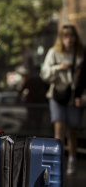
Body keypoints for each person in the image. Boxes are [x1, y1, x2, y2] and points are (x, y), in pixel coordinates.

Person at [40, 24, 84, 175]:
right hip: (57, 95)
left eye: (71, 36)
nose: (69, 39)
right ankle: (57, 161)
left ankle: (72, 160)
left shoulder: (80, 53)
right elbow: (44, 73)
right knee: (58, 130)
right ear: (61, 38)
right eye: (66, 36)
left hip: (73, 97)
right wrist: (58, 68)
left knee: (72, 130)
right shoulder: (54, 52)